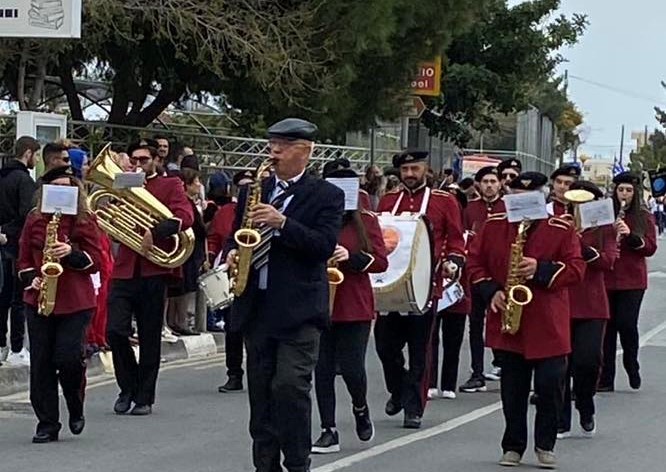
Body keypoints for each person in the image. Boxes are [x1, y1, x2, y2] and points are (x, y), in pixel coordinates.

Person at [224, 118, 344, 472]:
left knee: (290, 387)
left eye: (283, 145)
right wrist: (233, 251)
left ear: (304, 152)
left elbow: (323, 245)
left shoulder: (326, 194)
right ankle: (265, 467)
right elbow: (237, 234)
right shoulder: (252, 190)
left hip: (299, 311)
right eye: (272, 143)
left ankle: (297, 462)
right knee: (260, 397)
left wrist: (283, 223)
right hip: (257, 307)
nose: (273, 151)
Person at [467, 171, 585, 468]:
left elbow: (576, 268)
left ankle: (545, 444)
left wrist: (541, 269)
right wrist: (490, 291)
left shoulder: (560, 227)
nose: (522, 199)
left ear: (543, 196)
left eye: (529, 196)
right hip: (511, 321)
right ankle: (513, 445)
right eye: (517, 193)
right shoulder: (494, 225)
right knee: (513, 390)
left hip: (548, 321)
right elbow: (474, 262)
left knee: (549, 386)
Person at [375, 149, 466, 429]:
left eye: (415, 169)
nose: (410, 175)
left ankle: (414, 406)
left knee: (420, 350)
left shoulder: (444, 201)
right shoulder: (389, 201)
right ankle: (399, 388)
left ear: (426, 170)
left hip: (426, 286)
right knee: (385, 346)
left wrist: (453, 260)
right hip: (391, 285)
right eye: (405, 170)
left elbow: (455, 238)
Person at [106, 140, 194, 416]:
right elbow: (110, 216)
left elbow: (185, 216)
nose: (138, 164)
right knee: (115, 331)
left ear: (156, 160)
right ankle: (127, 386)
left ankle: (144, 396)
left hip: (154, 270)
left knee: (149, 336)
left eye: (144, 160)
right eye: (134, 159)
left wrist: (155, 233)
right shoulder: (125, 182)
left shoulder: (170, 185)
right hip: (124, 269)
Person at [17, 165, 103, 443]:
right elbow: (23, 260)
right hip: (39, 299)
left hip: (75, 301)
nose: (64, 192)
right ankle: (47, 423)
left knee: (68, 358)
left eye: (69, 187)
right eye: (58, 188)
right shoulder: (34, 219)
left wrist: (72, 252)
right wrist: (32, 279)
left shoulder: (85, 219)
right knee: (41, 363)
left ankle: (75, 404)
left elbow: (96, 261)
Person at [311, 162, 388, 454]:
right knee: (323, 369)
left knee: (354, 368)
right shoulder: (317, 218)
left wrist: (350, 256)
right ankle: (328, 429)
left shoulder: (365, 219)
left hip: (354, 303)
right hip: (320, 302)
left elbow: (380, 260)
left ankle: (360, 407)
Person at [557, 180, 618, 439]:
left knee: (588, 361)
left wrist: (582, 245)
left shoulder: (605, 228)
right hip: (562, 301)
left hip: (592, 304)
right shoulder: (558, 224)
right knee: (561, 365)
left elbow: (607, 261)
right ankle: (561, 419)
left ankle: (585, 403)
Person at [599, 171, 657, 391]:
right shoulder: (606, 213)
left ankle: (631, 363)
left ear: (635, 192)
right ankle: (606, 378)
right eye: (621, 189)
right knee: (607, 329)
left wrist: (631, 236)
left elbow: (650, 247)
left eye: (629, 190)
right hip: (607, 278)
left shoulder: (643, 216)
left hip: (632, 280)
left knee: (626, 324)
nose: (624, 194)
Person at [459, 165, 506, 392]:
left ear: (500, 185)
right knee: (475, 324)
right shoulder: (470, 208)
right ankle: (477, 372)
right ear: (478, 185)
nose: (489, 185)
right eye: (485, 181)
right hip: (477, 273)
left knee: (502, 321)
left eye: (493, 181)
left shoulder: (506, 207)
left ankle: (504, 364)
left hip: (500, 274)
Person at [211, 170, 254, 392]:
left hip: (257, 274)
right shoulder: (227, 212)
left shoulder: (263, 210)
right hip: (233, 274)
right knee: (233, 326)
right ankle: (234, 373)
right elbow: (222, 239)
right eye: (243, 187)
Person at [0, 136, 41, 366]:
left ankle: (1, 346)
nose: (36, 159)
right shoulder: (24, 180)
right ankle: (17, 348)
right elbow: (28, 214)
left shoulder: (2, 175)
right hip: (15, 243)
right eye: (36, 155)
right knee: (18, 297)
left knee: (2, 297)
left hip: (2, 240)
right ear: (28, 153)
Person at [428, 184, 470, 400]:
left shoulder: (464, 235)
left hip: (457, 295)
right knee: (431, 338)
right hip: (435, 290)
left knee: (453, 340)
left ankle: (449, 383)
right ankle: (431, 381)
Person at [167, 168, 207, 336]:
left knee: (185, 288)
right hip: (188, 251)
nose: (199, 185)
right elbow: (197, 227)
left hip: (193, 251)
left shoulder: (192, 202)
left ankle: (177, 322)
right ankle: (179, 322)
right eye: (196, 181)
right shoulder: (186, 203)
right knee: (182, 288)